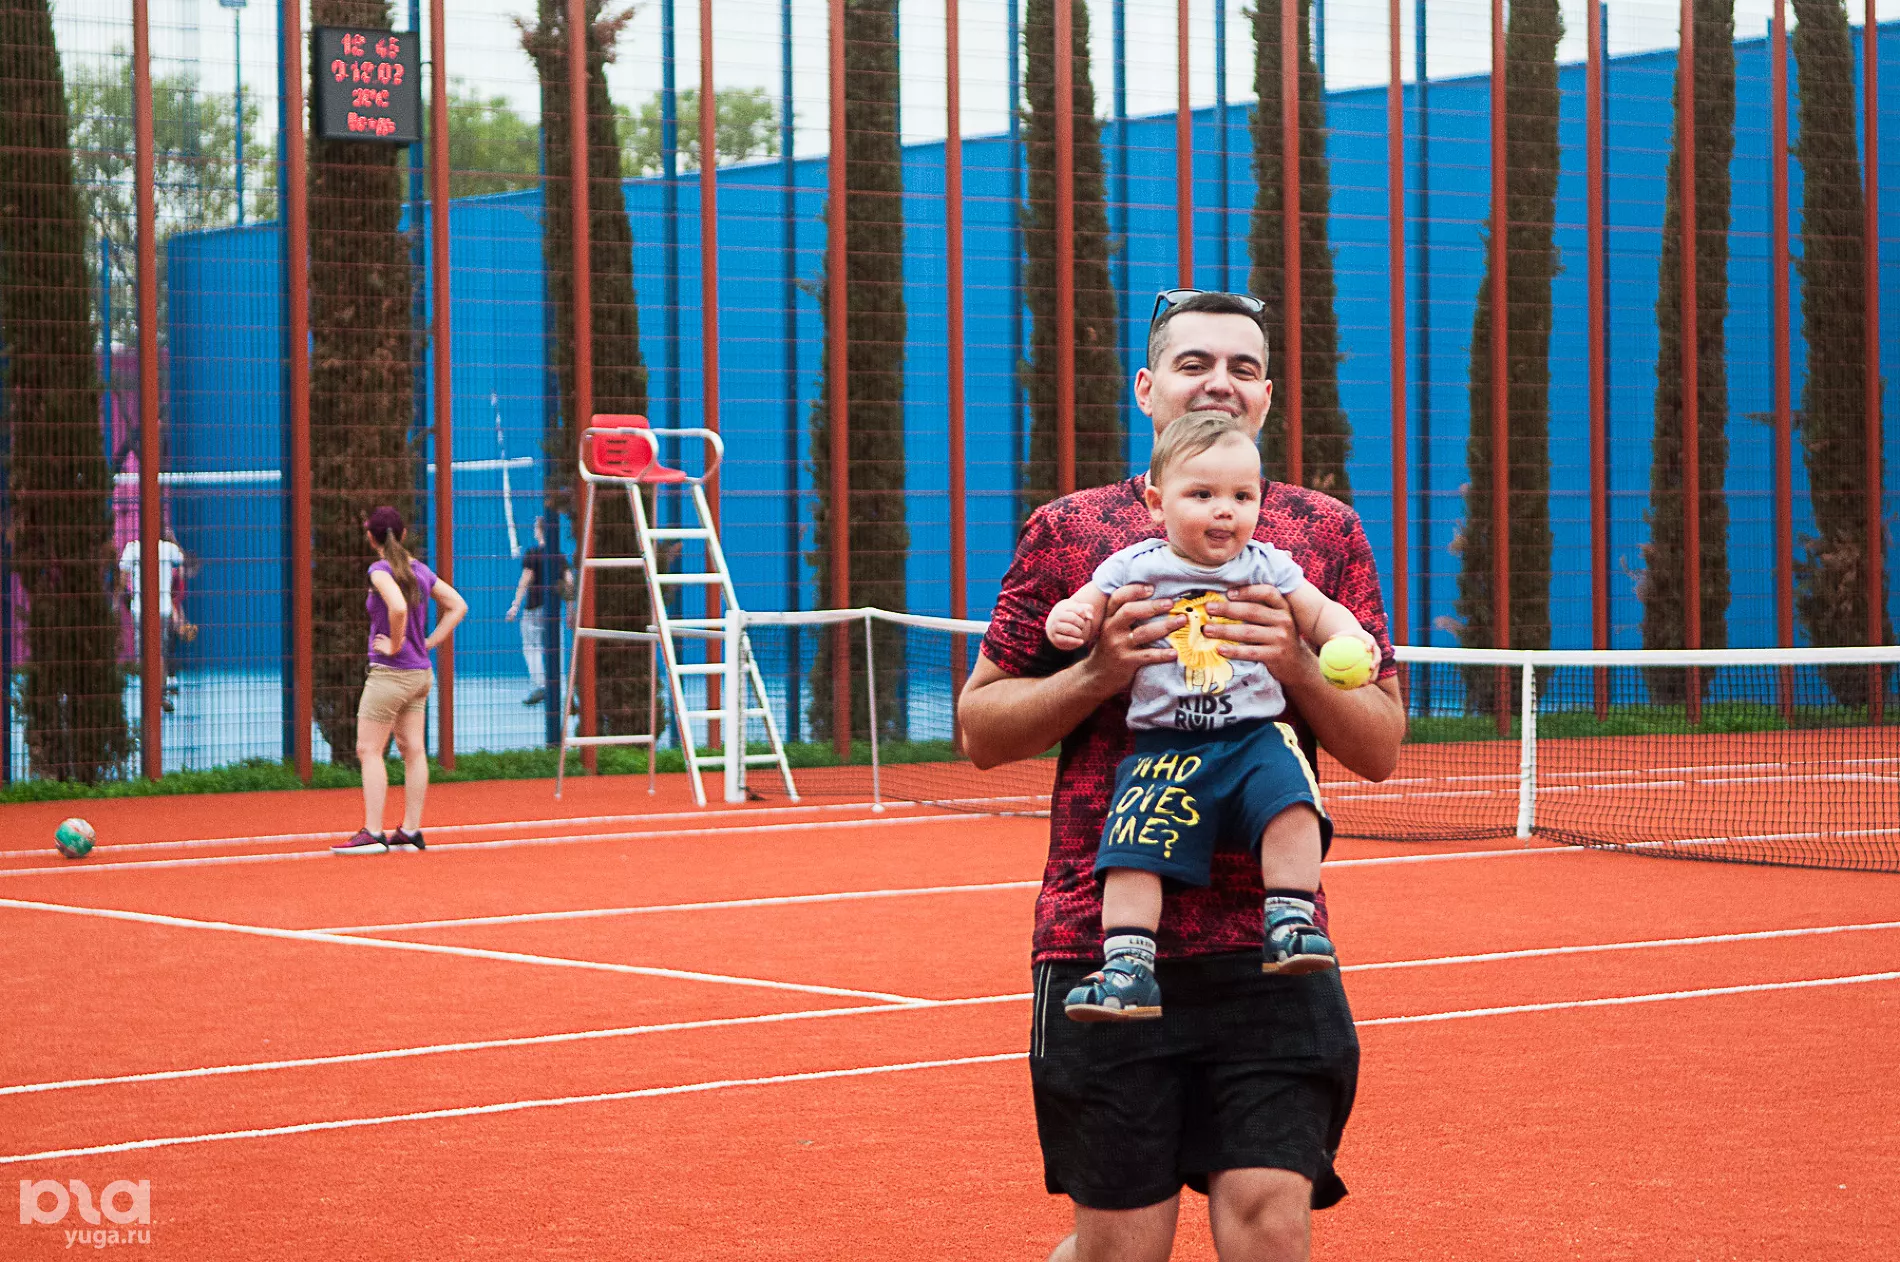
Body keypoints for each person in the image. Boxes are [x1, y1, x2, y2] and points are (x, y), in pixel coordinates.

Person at [958, 290, 1405, 1262]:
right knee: (1121, 1248)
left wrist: (1295, 664)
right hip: (1104, 943)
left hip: (1272, 946)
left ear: (1268, 395)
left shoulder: (1319, 534)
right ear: (1147, 387)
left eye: (1243, 367)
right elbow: (980, 727)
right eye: (1194, 362)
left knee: (1269, 1221)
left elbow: (1379, 744)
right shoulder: (1072, 533)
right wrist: (1096, 672)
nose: (1219, 382)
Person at [1044, 410, 1379, 1022]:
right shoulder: (1134, 565)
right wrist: (1067, 620)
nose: (1225, 511)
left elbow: (1320, 610)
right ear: (1156, 503)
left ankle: (1291, 920)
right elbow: (1081, 606)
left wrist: (1349, 637)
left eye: (1242, 497)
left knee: (1294, 806)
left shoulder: (1267, 564)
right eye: (1202, 495)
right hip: (1163, 745)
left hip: (1254, 737)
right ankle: (1128, 966)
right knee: (1130, 851)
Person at [333, 506, 467, 856]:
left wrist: (394, 644)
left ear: (370, 537)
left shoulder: (379, 571)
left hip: (390, 675)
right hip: (420, 675)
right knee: (414, 750)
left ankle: (373, 832)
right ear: (404, 534)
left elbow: (398, 608)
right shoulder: (420, 570)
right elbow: (458, 605)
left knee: (369, 750)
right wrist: (430, 642)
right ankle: (410, 830)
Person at [119, 528, 190, 710]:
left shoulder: (132, 548)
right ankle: (160, 692)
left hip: (140, 608)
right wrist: (173, 539)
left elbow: (122, 580)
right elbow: (183, 561)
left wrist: (121, 599)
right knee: (160, 653)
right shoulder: (168, 548)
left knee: (142, 653)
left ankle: (149, 694)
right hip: (163, 608)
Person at [505, 515, 571, 705]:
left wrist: (515, 605)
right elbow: (569, 582)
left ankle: (542, 685)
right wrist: (570, 610)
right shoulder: (559, 556)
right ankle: (560, 689)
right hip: (553, 611)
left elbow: (525, 580)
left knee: (531, 647)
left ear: (540, 530)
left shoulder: (533, 554)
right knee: (556, 648)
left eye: (536, 527)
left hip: (534, 608)